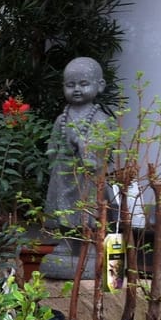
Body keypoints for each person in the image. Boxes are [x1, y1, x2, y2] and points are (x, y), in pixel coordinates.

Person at [45, 57, 112, 227]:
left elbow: (101, 151)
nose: (76, 89)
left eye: (83, 84)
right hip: (62, 173)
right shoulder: (61, 119)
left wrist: (83, 145)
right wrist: (56, 162)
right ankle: (61, 230)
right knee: (59, 212)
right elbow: (52, 148)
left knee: (87, 207)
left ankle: (88, 231)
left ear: (100, 85)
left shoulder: (101, 119)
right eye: (70, 85)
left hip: (87, 175)